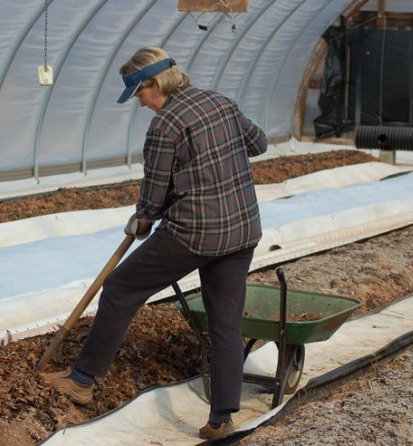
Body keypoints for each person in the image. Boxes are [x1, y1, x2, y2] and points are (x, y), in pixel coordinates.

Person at [42, 47, 267, 441]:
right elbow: (258, 143)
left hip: (194, 233)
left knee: (120, 289)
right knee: (226, 325)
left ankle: (82, 379)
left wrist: (143, 218)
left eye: (139, 95)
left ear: (155, 84)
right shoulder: (222, 102)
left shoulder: (165, 126)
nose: (141, 104)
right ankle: (220, 420)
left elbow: (154, 191)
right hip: (242, 230)